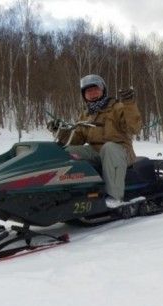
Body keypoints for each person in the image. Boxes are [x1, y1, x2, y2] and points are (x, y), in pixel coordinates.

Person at [48, 74, 142, 208]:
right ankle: (70, 192)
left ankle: (114, 197)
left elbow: (134, 128)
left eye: (95, 89)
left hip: (120, 150)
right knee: (68, 151)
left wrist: (129, 103)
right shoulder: (86, 114)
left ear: (103, 90)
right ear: (84, 95)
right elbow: (77, 138)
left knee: (108, 148)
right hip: (95, 151)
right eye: (88, 91)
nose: (92, 94)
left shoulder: (117, 107)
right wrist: (60, 131)